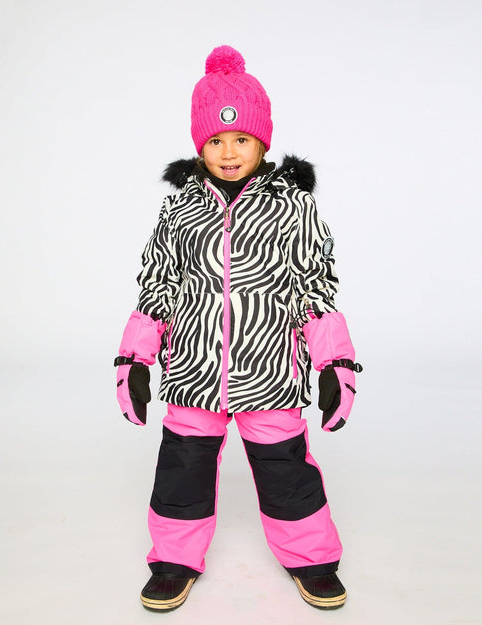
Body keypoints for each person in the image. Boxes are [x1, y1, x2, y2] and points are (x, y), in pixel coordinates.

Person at [114, 45, 362, 612]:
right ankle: (174, 560)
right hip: (193, 373)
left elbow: (314, 287)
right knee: (182, 469)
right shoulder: (179, 211)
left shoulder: (292, 209)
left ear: (262, 142)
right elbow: (158, 284)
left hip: (270, 373)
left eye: (242, 139)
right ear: (200, 145)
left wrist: (335, 364)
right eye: (216, 141)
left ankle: (311, 558)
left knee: (286, 471)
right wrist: (135, 358)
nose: (229, 152)